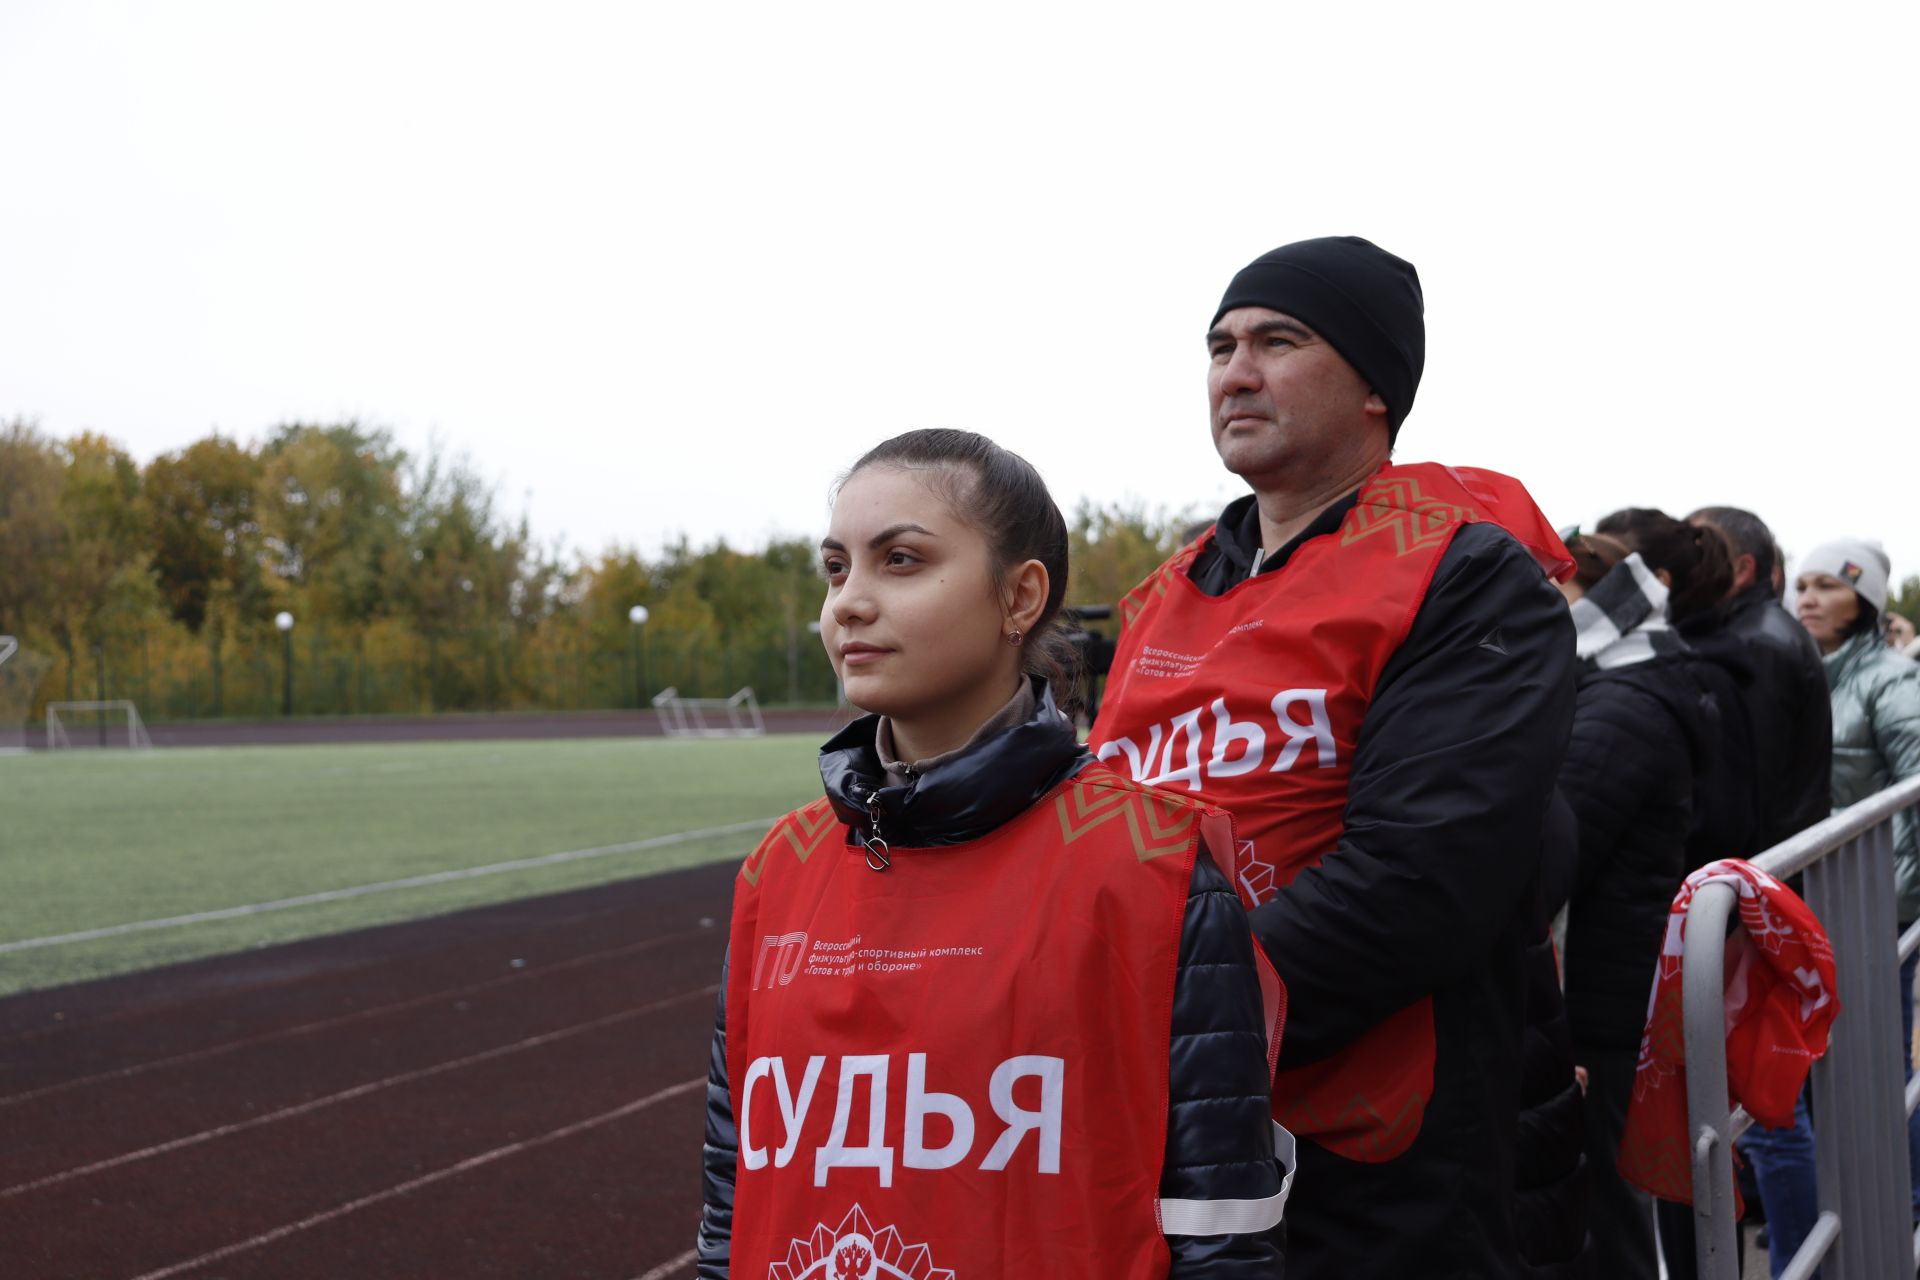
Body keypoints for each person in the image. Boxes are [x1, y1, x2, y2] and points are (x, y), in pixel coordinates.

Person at [1089, 236, 1577, 1280]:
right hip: (1166, 1124)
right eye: (1220, 345)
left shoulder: (1466, 572)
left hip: (1372, 1156)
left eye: (1279, 340)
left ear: (1374, 387)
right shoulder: (1161, 593)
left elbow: (1421, 880)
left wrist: (1158, 1028)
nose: (1237, 370)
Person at [695, 428, 1288, 1279]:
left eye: (900, 560)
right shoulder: (779, 869)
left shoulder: (1153, 864)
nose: (849, 603)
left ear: (1021, 598)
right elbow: (731, 1200)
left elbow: (1221, 1232)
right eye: (836, 568)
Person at [1550, 519, 1725, 1280]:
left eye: (1552, 594)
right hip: (1613, 982)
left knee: (1607, 1218)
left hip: (1600, 998)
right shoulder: (1630, 679)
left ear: (1597, 602)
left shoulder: (1622, 704)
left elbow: (1557, 849)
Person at [1796, 537, 1920, 1231]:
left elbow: (1914, 788)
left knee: (1881, 1067)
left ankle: (1900, 1214)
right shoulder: (1812, 669)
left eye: (1827, 586)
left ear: (1864, 601)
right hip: (1828, 899)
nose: (1807, 597)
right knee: (1843, 1069)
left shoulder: (1892, 680)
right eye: (1803, 585)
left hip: (1879, 901)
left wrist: (1900, 896)